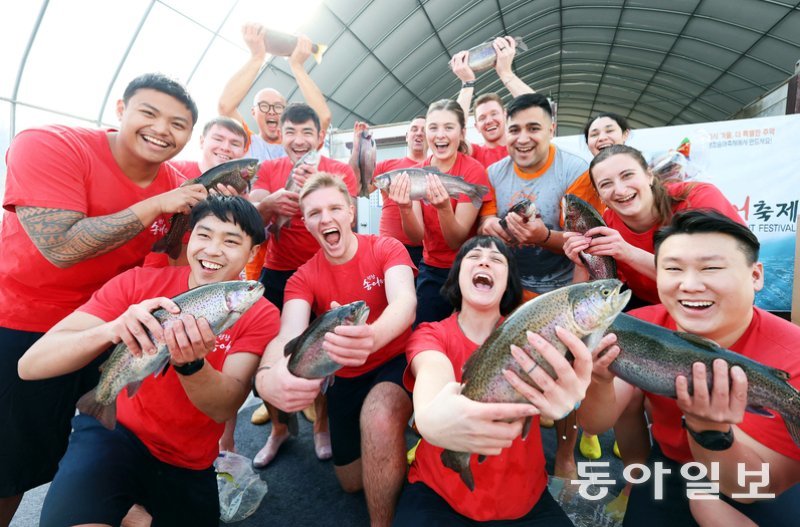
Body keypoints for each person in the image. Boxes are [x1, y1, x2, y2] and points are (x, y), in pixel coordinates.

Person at [0, 73, 206, 527]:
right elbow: (61, 246)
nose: (161, 129)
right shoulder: (50, 145)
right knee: (10, 465)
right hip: (22, 325)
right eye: (149, 113)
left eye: (178, 124)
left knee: (104, 445)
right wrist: (154, 205)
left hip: (114, 325)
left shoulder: (177, 184)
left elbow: (174, 257)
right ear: (120, 110)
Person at [18, 196, 280, 527]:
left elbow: (223, 408)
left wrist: (191, 366)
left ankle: (130, 512)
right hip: (113, 434)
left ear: (253, 253)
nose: (213, 250)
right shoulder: (137, 283)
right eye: (204, 235)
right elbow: (30, 365)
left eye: (231, 241)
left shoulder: (262, 314)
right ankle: (122, 506)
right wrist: (111, 329)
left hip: (190, 460)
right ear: (190, 238)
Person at [580, 210, 800, 526]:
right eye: (673, 269)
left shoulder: (793, 354)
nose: (690, 285)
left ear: (755, 276)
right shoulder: (641, 327)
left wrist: (710, 430)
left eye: (711, 268)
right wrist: (598, 380)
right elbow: (594, 423)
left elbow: (751, 487)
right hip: (672, 465)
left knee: (711, 508)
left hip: (753, 475)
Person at [393, 235, 598, 526]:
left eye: (497, 259)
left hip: (526, 501)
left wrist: (572, 399)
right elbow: (431, 373)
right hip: (438, 494)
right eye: (474, 256)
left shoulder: (534, 339)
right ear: (457, 275)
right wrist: (429, 419)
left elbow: (566, 314)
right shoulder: (431, 334)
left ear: (508, 283)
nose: (485, 261)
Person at [255, 173, 417, 527]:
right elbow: (288, 335)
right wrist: (268, 375)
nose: (325, 218)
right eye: (314, 213)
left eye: (334, 208)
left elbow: (405, 303)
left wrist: (372, 336)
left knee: (378, 416)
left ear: (351, 212)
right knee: (351, 482)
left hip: (394, 361)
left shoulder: (386, 247)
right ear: (306, 222)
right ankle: (391, 449)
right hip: (345, 376)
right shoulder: (302, 277)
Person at [245, 104, 358, 463]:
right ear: (279, 136)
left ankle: (321, 425)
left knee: (325, 353)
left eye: (307, 132)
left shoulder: (340, 170)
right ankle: (279, 429)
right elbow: (253, 212)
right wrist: (273, 200)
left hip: (327, 272)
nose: (299, 140)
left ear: (320, 137)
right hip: (278, 272)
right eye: (290, 132)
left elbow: (349, 218)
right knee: (267, 350)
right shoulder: (268, 169)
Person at [563, 144, 744, 306]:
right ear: (600, 196)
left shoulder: (698, 198)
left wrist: (628, 252)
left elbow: (715, 276)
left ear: (649, 175)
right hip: (652, 307)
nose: (620, 190)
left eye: (627, 175)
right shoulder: (605, 225)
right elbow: (584, 304)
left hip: (716, 303)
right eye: (606, 184)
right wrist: (583, 263)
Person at [387, 99, 492, 326]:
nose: (440, 134)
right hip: (432, 268)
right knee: (423, 330)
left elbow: (456, 240)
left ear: (462, 133)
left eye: (449, 127)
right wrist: (405, 207)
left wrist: (444, 208)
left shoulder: (473, 171)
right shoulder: (415, 173)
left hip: (468, 266)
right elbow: (416, 237)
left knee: (467, 334)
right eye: (433, 127)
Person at [218, 22, 332, 161]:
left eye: (278, 107)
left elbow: (323, 117)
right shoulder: (246, 142)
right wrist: (257, 57)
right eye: (264, 105)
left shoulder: (300, 145)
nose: (271, 112)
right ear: (253, 112)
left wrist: (297, 66)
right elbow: (225, 107)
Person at [450, 36, 534, 167]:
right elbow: (452, 133)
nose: (489, 121)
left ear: (506, 116)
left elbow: (538, 111)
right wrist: (467, 83)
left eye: (494, 113)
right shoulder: (475, 154)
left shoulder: (525, 145)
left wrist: (506, 73)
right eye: (482, 118)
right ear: (476, 126)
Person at [372, 116, 428, 267]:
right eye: (414, 129)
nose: (419, 133)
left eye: (424, 130)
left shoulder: (436, 170)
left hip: (425, 250)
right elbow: (359, 189)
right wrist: (360, 154)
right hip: (388, 244)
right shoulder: (386, 167)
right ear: (407, 136)